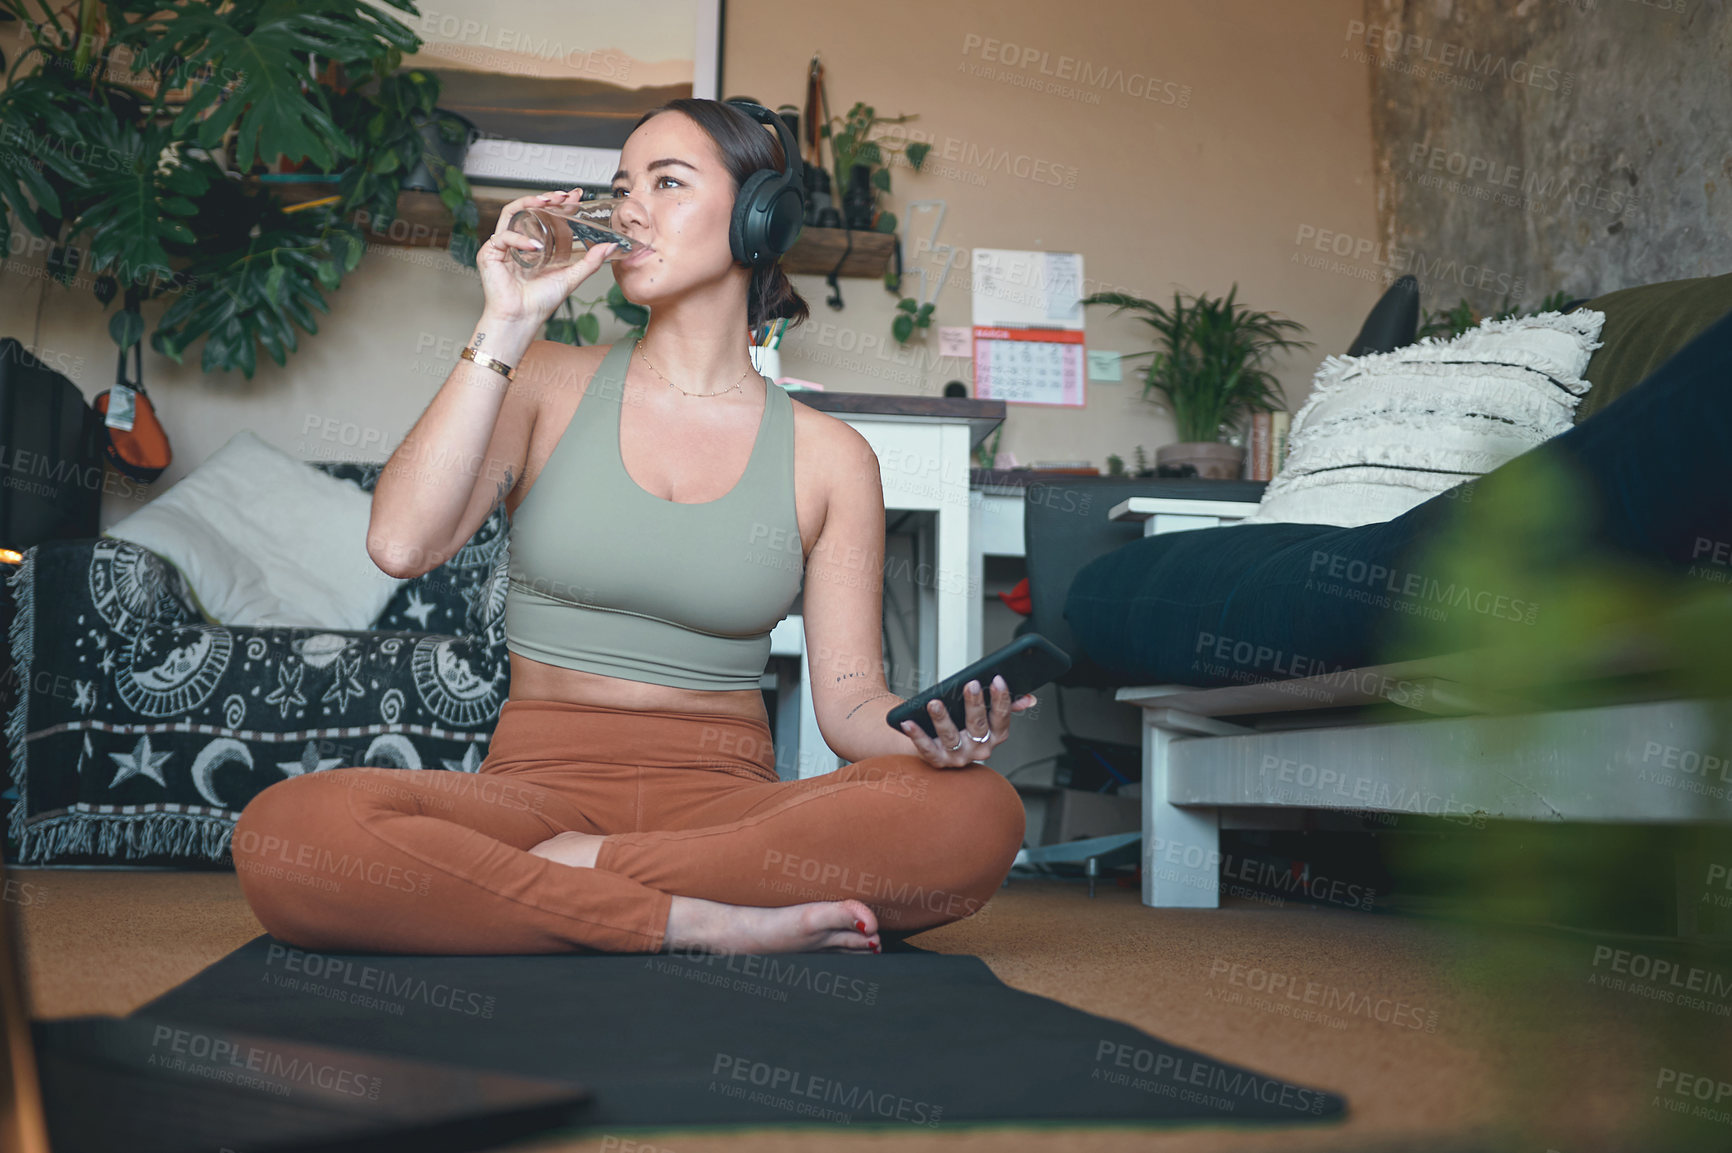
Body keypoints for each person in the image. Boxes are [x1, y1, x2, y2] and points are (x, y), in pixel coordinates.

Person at [230, 99, 1032, 957]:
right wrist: (505, 320)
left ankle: (578, 879)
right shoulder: (541, 379)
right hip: (533, 795)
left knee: (976, 814)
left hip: (728, 806)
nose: (629, 208)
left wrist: (938, 735)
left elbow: (849, 706)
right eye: (622, 187)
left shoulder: (832, 457)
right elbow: (401, 545)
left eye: (668, 182)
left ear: (761, 217)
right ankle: (688, 918)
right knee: (294, 829)